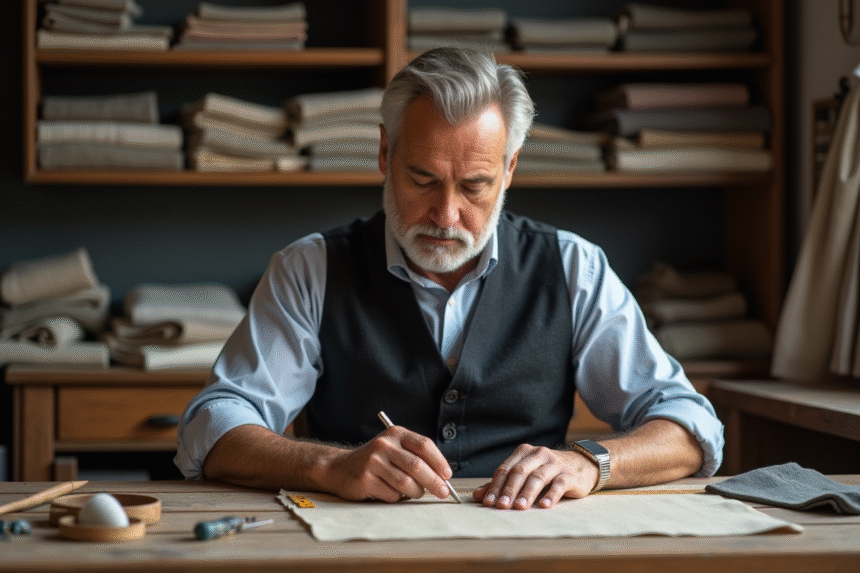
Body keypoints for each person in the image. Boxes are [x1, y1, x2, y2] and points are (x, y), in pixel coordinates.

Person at [175, 47, 723, 511]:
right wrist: (330, 465)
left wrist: (590, 463)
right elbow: (213, 426)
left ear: (509, 170)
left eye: (476, 185)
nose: (445, 215)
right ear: (385, 152)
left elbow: (690, 424)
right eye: (423, 179)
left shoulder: (573, 268)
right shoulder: (309, 269)